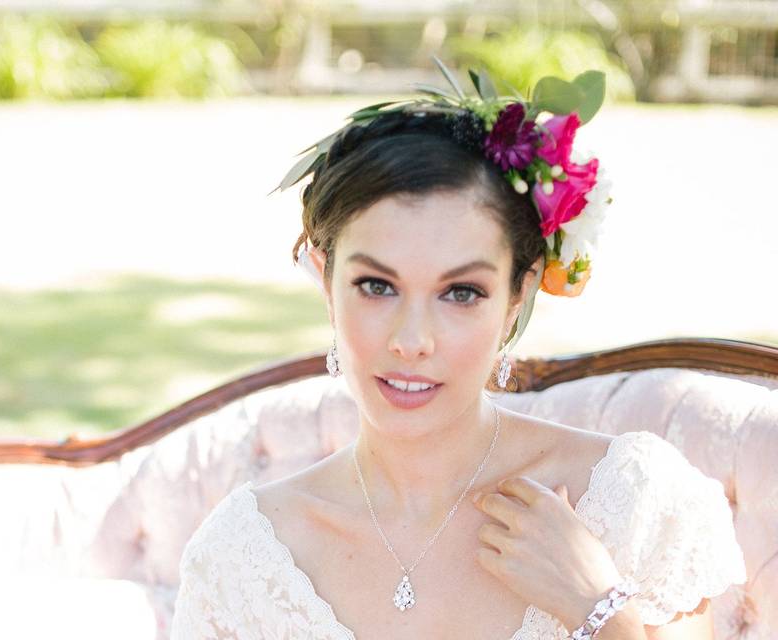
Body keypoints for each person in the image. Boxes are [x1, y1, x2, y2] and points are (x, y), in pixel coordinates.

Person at [169, 62, 747, 639]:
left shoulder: (633, 503)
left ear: (518, 294)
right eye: (376, 286)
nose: (412, 341)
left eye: (461, 293)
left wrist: (596, 606)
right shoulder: (241, 557)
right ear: (326, 281)